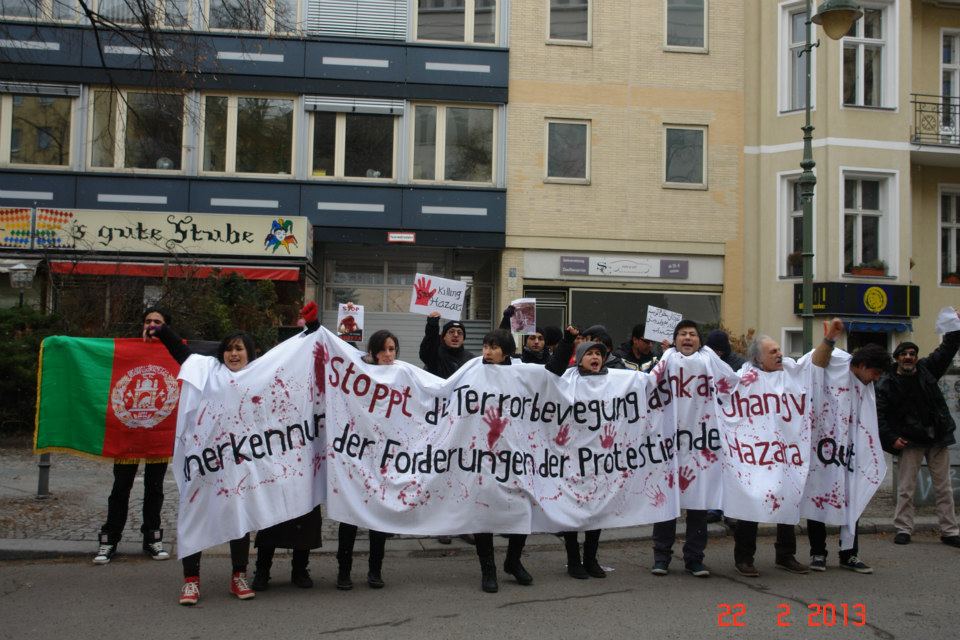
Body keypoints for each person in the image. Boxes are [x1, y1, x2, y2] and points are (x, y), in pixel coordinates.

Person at [149, 323, 259, 605]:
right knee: (194, 515)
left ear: (249, 353)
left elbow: (294, 360)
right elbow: (182, 353)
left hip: (237, 463)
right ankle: (191, 580)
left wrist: (312, 329)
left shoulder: (260, 375)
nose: (233, 354)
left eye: (239, 349)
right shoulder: (209, 370)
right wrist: (162, 331)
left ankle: (239, 576)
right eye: (229, 349)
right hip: (203, 462)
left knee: (239, 519)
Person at [806, 320, 890, 573]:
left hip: (849, 450)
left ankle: (849, 554)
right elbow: (815, 363)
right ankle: (817, 553)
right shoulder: (837, 360)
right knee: (818, 495)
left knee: (853, 496)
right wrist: (830, 338)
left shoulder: (866, 384)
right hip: (822, 446)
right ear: (863, 365)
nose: (876, 378)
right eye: (875, 372)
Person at [251, 302, 325, 592]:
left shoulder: (312, 378)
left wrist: (314, 327)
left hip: (306, 455)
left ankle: (300, 569)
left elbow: (323, 348)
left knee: (305, 518)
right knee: (272, 517)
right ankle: (262, 570)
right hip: (277, 456)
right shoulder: (271, 371)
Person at [93, 307, 173, 565]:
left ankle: (152, 537)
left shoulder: (174, 351)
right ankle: (109, 539)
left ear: (166, 326)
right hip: (127, 435)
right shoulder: (127, 349)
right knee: (120, 488)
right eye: (148, 320)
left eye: (157, 321)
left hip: (159, 436)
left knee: (155, 489)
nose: (152, 324)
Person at [876, 315, 960, 549]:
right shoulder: (887, 382)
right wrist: (892, 438)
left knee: (944, 488)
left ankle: (949, 531)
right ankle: (903, 529)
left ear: (916, 357)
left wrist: (955, 327)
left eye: (912, 354)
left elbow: (946, 349)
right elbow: (880, 415)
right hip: (909, 441)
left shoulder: (927, 370)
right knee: (906, 489)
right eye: (904, 354)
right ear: (897, 358)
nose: (908, 357)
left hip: (937, 437)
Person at [732, 334, 809, 577]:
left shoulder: (790, 376)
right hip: (755, 454)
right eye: (772, 351)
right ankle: (744, 558)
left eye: (779, 349)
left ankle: (785, 554)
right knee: (752, 500)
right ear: (758, 358)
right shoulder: (745, 379)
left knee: (788, 497)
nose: (779, 354)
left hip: (783, 452)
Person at [335, 329, 399, 590]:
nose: (388, 355)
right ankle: (344, 571)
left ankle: (375, 570)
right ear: (372, 352)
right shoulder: (358, 374)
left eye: (392, 349)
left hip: (382, 460)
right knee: (349, 516)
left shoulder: (402, 375)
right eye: (383, 349)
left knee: (378, 518)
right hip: (355, 456)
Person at [472, 329, 531, 593]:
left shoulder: (520, 372)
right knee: (483, 512)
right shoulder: (473, 371)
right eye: (485, 346)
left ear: (506, 352)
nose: (487, 352)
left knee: (521, 509)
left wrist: (566, 342)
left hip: (515, 454)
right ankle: (488, 569)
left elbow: (551, 375)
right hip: (483, 456)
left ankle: (513, 561)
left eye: (494, 347)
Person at [547, 327, 608, 579]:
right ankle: (573, 560)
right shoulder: (567, 380)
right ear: (580, 358)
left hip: (600, 456)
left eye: (599, 354)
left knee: (597, 508)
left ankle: (591, 558)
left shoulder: (613, 380)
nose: (595, 357)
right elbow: (550, 376)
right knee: (572, 507)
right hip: (571, 455)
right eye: (590, 353)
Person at [651, 320, 710, 578]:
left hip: (699, 445)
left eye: (692, 334)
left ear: (699, 340)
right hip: (670, 444)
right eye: (682, 334)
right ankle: (661, 557)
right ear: (674, 340)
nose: (687, 338)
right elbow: (648, 384)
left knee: (698, 504)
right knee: (667, 502)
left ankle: (694, 559)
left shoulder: (710, 362)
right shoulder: (666, 361)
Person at [420, 311, 475, 544]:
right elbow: (426, 350)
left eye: (459, 332)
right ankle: (440, 524)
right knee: (441, 473)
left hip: (464, 425)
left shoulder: (471, 360)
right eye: (451, 332)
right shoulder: (436, 355)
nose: (455, 335)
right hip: (440, 424)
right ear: (443, 337)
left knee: (462, 475)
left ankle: (461, 523)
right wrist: (432, 324)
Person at [703, 329, 745, 526]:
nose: (717, 354)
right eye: (714, 351)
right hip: (712, 421)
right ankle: (714, 507)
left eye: (720, 351)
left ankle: (730, 508)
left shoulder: (738, 364)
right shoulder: (705, 361)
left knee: (730, 468)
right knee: (713, 466)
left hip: (732, 423)